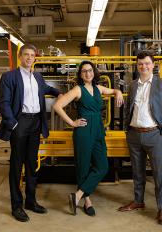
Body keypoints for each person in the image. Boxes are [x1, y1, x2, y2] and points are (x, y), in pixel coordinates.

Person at [0, 44, 61, 222]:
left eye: (32, 55)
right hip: (20, 122)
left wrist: (60, 93)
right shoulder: (9, 76)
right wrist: (14, 125)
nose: (29, 58)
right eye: (26, 55)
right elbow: (4, 103)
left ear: (35, 58)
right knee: (17, 166)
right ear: (20, 56)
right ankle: (16, 205)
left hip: (36, 123)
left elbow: (47, 89)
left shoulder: (38, 77)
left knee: (32, 165)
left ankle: (31, 201)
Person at [53, 60, 123, 216]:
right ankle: (87, 201)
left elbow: (113, 91)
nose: (88, 73)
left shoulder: (98, 88)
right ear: (80, 74)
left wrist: (118, 92)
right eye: (84, 71)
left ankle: (77, 195)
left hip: (98, 129)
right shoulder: (78, 89)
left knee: (102, 166)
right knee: (83, 166)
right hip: (83, 130)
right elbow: (57, 106)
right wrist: (72, 122)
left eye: (90, 70)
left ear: (94, 72)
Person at [118, 51, 162, 225]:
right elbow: (128, 109)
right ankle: (138, 201)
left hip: (154, 134)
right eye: (141, 64)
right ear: (137, 66)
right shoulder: (132, 85)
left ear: (153, 65)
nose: (144, 66)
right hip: (134, 134)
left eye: (147, 63)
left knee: (159, 174)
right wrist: (128, 130)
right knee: (137, 171)